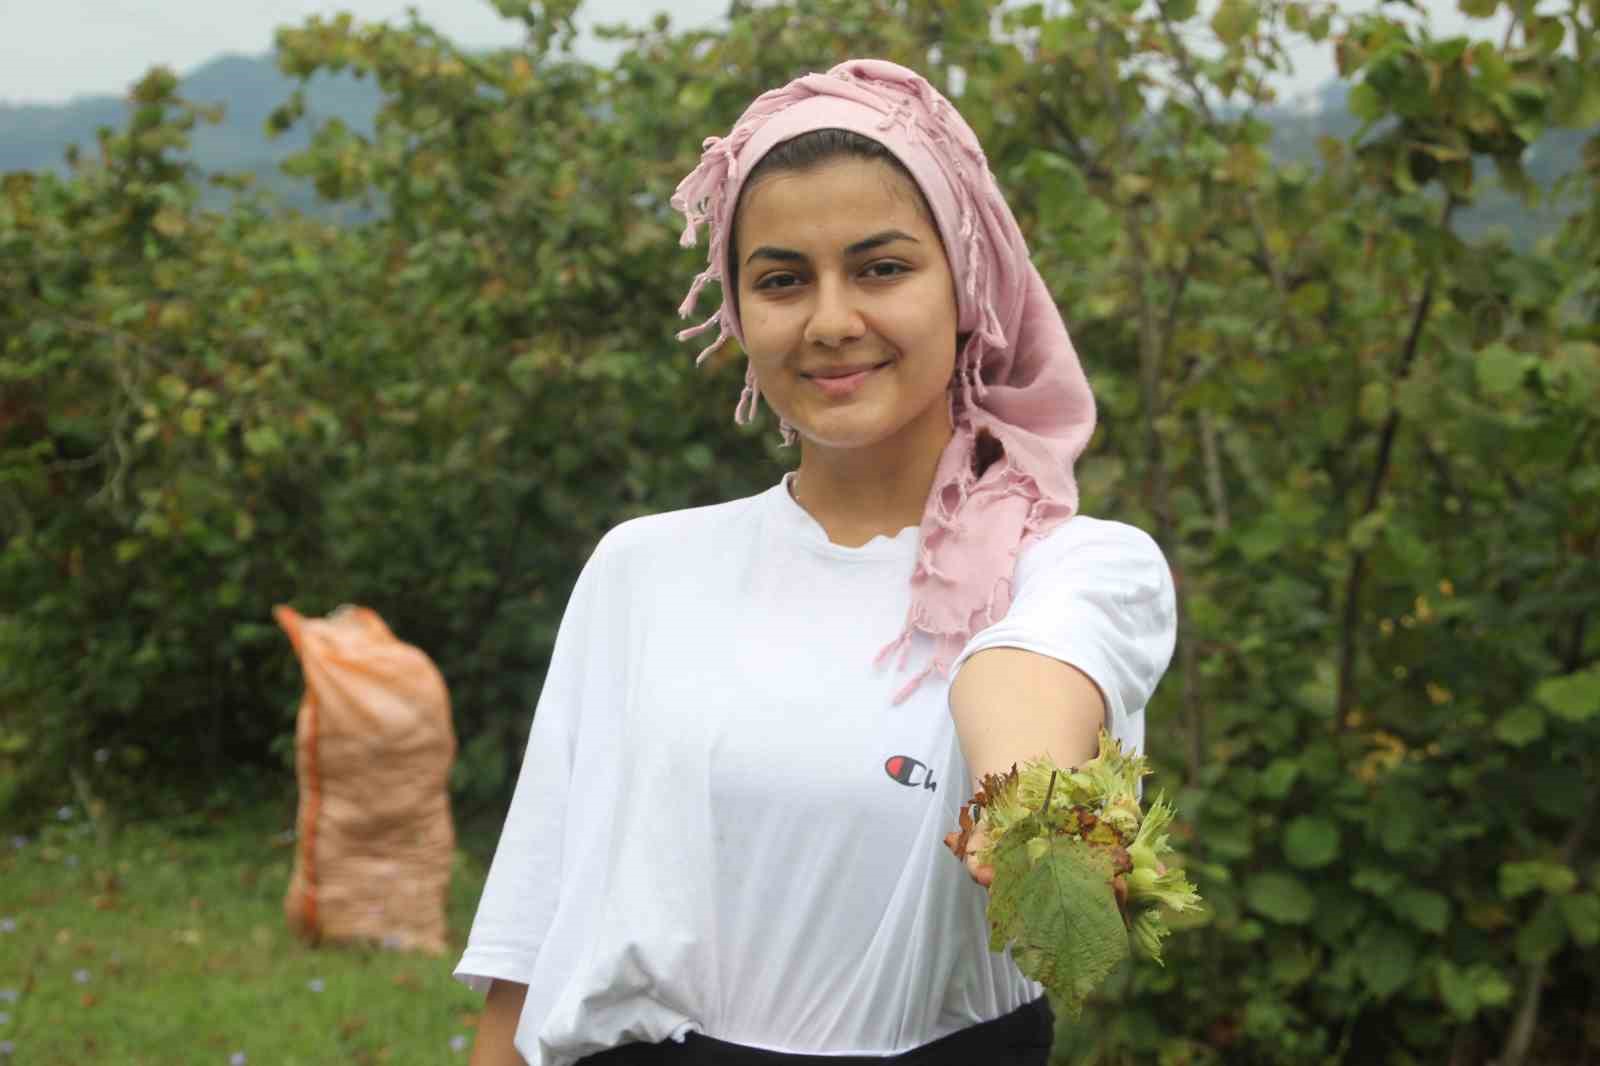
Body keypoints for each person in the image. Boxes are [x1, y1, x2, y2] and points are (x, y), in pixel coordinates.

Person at [459, 59, 1177, 1066]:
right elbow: (535, 929)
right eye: (782, 279)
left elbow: (1023, 680)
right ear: (740, 310)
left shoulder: (1078, 564)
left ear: (967, 283)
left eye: (881, 267)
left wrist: (1035, 818)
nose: (832, 319)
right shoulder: (644, 568)